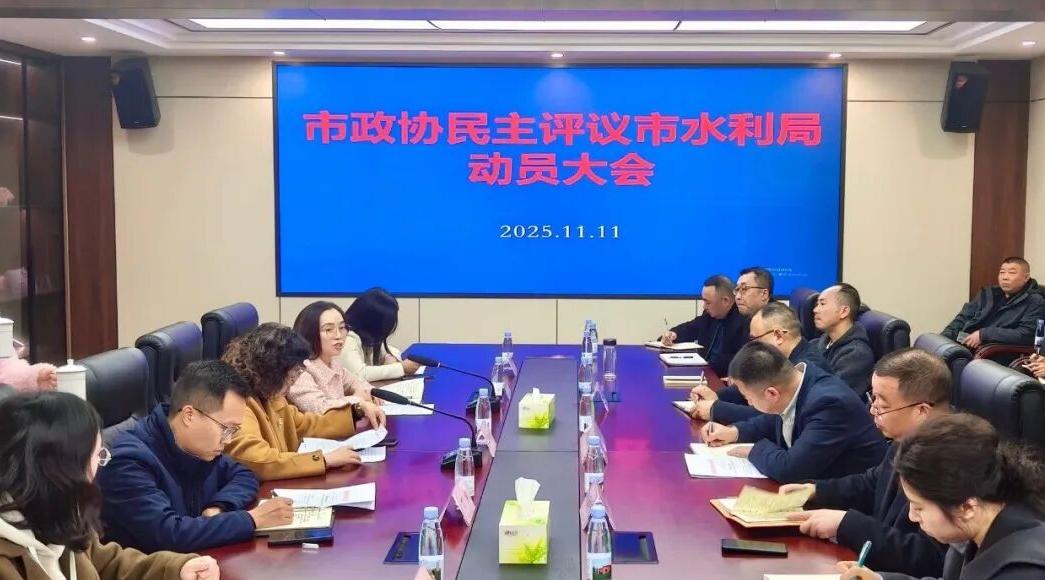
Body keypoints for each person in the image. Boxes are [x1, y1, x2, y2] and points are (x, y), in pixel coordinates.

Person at [0, 391, 220, 579]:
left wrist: (176, 568)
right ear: (64, 470)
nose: (98, 467)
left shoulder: (62, 512)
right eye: (97, 456)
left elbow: (106, 562)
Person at [781, 349, 951, 577]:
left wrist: (847, 524)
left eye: (883, 406)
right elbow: (873, 483)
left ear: (921, 411)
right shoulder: (907, 438)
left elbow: (929, 558)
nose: (872, 411)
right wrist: (816, 490)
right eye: (873, 399)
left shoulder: (953, 463)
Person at [98, 360, 294, 554]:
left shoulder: (197, 446)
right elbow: (169, 534)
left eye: (234, 431)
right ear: (189, 415)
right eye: (226, 429)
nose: (228, 440)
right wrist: (252, 520)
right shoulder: (128, 463)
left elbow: (244, 474)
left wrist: (219, 506)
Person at [838, 414, 1045, 580]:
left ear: (967, 507)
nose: (912, 517)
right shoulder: (975, 526)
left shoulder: (1024, 571)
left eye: (919, 507)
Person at [701, 342, 888, 483]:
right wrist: (734, 432)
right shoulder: (796, 381)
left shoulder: (829, 404)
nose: (749, 402)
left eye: (747, 397)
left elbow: (791, 470)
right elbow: (773, 419)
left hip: (845, 505)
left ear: (771, 394)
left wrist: (754, 450)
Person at [223, 323, 365, 481]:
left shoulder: (270, 393)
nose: (294, 381)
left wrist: (356, 412)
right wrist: (324, 460)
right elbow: (257, 460)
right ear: (272, 371)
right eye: (292, 375)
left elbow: (303, 426)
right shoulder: (236, 403)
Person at [689, 302, 831, 424]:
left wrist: (718, 409)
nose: (752, 347)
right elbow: (754, 385)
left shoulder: (807, 369)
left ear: (778, 336)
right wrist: (717, 396)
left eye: (754, 339)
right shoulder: (782, 358)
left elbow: (778, 418)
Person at [288, 301, 387, 427]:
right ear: (309, 333)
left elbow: (356, 383)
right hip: (315, 436)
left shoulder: (332, 362)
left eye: (342, 328)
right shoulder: (299, 370)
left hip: (339, 432)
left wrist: (369, 391)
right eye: (328, 329)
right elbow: (320, 408)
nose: (339, 336)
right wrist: (358, 400)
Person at [942, 257, 1045, 350]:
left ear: (1026, 277)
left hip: (996, 352)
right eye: (1002, 272)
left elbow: (1026, 335)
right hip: (966, 343)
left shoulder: (1035, 301)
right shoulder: (988, 294)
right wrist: (944, 337)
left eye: (1012, 273)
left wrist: (984, 334)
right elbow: (963, 317)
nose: (1005, 277)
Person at [661, 275, 749, 376]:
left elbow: (739, 361)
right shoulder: (708, 316)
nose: (704, 306)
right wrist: (672, 334)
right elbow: (690, 328)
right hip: (703, 373)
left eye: (708, 302)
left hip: (722, 378)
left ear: (726, 301)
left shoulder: (742, 322)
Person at [340, 288, 421, 382]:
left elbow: (389, 351)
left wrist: (388, 358)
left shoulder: (367, 337)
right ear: (372, 324)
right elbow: (360, 374)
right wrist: (401, 368)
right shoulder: (346, 339)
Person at [812, 283, 875, 398]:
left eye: (822, 304)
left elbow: (831, 397)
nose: (815, 310)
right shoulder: (819, 343)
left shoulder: (856, 355)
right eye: (817, 304)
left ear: (844, 311)